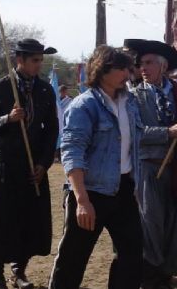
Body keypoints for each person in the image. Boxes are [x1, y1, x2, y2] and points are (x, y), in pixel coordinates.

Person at [49, 45, 143, 289]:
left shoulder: (129, 102)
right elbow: (72, 152)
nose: (127, 72)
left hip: (123, 189)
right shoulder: (84, 105)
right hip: (91, 191)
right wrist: (81, 200)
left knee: (132, 253)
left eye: (127, 67)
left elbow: (135, 142)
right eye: (121, 68)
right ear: (103, 71)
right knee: (73, 258)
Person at [123, 39, 177, 289]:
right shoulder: (132, 98)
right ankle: (150, 275)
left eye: (148, 63)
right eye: (141, 63)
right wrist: (167, 132)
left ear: (164, 65)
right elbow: (134, 132)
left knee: (176, 224)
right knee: (150, 223)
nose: (143, 68)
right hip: (149, 169)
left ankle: (166, 273)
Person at [0, 39, 59, 289]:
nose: (39, 65)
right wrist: (7, 118)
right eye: (35, 60)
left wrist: (44, 163)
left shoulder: (45, 90)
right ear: (19, 60)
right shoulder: (1, 88)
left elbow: (51, 130)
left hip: (34, 166)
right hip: (7, 165)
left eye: (41, 60)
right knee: (2, 220)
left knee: (29, 220)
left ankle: (19, 271)